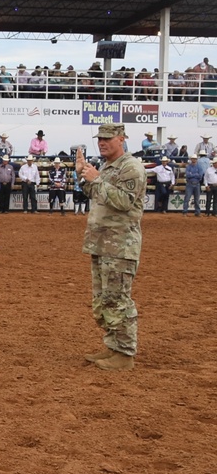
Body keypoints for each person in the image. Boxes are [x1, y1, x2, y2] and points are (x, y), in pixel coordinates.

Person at [76, 123, 146, 371]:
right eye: (100, 139)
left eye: (108, 138)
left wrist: (96, 179)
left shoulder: (131, 167)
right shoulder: (107, 167)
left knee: (118, 299)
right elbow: (94, 194)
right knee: (104, 299)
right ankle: (114, 346)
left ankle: (125, 354)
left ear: (122, 139)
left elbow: (124, 202)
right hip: (102, 242)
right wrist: (82, 174)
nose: (102, 142)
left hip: (120, 244)